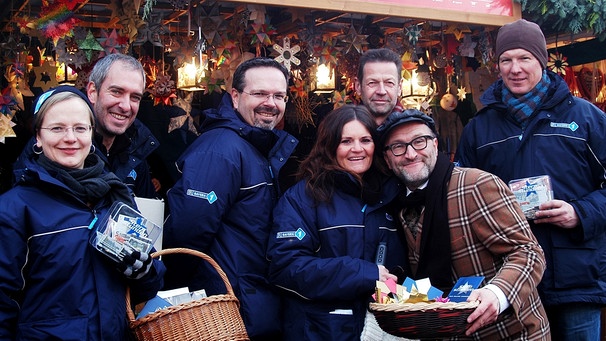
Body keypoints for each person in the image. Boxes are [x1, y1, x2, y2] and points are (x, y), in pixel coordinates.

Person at [455, 18, 606, 341]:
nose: (515, 68)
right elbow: (460, 198)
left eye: (525, 58)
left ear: (542, 60)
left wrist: (580, 213)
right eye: (506, 60)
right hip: (509, 281)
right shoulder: (479, 129)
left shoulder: (586, 118)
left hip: (575, 278)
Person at [0, 86, 165, 339]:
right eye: (57, 128)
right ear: (37, 137)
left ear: (91, 134)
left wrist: (144, 272)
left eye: (80, 128)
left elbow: (148, 286)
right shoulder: (14, 209)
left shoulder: (114, 196)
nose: (70, 138)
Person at [379, 109, 550, 339]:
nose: (410, 154)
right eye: (398, 146)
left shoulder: (475, 185)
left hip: (509, 333)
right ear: (388, 159)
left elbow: (529, 252)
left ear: (435, 144)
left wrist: (497, 294)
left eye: (419, 141)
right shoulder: (395, 206)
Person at [162, 57, 298, 340]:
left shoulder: (252, 146)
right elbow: (188, 234)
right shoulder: (221, 149)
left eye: (278, 95)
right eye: (259, 93)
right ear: (235, 97)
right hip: (226, 311)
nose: (270, 103)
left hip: (247, 303)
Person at [266, 104, 405, 340]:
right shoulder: (303, 197)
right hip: (320, 331)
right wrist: (364, 274)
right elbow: (285, 267)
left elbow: (398, 271)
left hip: (380, 330)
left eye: (365, 140)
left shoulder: (390, 194)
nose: (357, 149)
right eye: (346, 141)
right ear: (330, 146)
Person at [86, 53, 160, 198]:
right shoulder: (64, 146)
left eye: (135, 97)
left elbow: (145, 215)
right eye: (116, 92)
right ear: (93, 92)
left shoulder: (137, 150)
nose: (126, 106)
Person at [354, 48, 403, 124]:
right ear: (358, 86)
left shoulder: (416, 131)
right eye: (372, 83)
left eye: (389, 83)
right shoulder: (340, 131)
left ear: (399, 87)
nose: (381, 91)